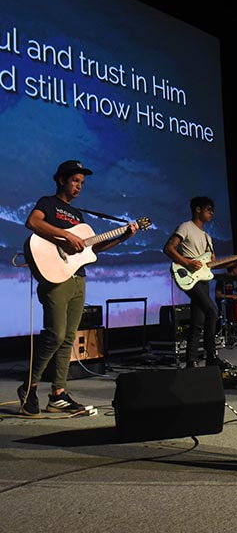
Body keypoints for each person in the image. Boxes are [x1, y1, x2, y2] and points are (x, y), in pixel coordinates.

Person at [18, 160, 139, 416]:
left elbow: (92, 250)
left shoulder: (79, 216)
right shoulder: (48, 203)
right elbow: (33, 223)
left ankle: (57, 395)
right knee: (55, 335)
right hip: (55, 276)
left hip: (77, 276)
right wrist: (66, 236)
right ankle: (29, 388)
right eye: (75, 180)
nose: (79, 186)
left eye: (82, 183)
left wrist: (123, 236)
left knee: (68, 339)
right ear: (61, 180)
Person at [163, 196, 237, 369]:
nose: (212, 213)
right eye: (208, 209)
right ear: (197, 210)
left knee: (197, 321)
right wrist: (186, 262)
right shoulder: (185, 227)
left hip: (202, 280)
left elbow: (214, 265)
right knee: (212, 311)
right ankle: (211, 356)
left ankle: (191, 361)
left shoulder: (208, 237)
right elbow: (168, 248)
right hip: (189, 277)